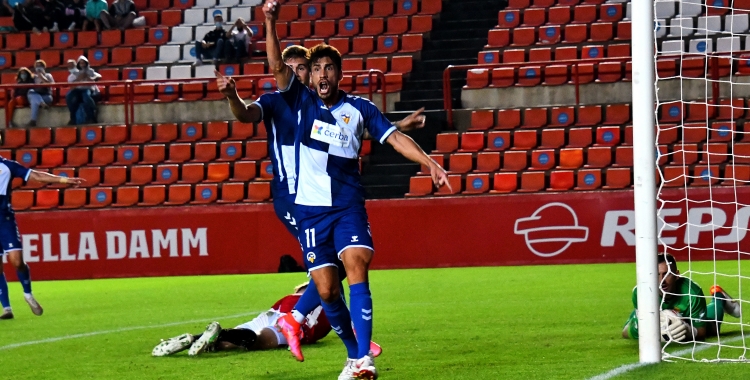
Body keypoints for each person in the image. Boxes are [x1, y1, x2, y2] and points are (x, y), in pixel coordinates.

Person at [261, 1, 449, 378]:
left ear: (340, 73)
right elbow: (278, 66)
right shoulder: (299, 101)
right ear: (310, 78)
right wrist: (269, 20)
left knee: (357, 262)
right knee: (328, 290)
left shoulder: (359, 108)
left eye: (329, 67)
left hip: (348, 206)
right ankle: (353, 356)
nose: (322, 73)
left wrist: (429, 162)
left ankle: (364, 359)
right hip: (311, 210)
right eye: (316, 69)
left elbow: (395, 139)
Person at [215, 43, 425, 366]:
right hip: (296, 198)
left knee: (341, 265)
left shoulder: (312, 103)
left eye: (304, 68)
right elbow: (245, 114)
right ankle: (303, 318)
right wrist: (232, 96)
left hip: (322, 194)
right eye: (298, 69)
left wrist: (400, 128)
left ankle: (323, 328)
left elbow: (344, 135)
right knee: (334, 268)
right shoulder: (276, 102)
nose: (301, 74)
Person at [0, 160, 85, 320]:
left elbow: (37, 176)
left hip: (4, 220)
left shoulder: (7, 166)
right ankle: (6, 308)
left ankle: (28, 294)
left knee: (17, 261)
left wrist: (64, 180)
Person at [152, 282, 332, 356]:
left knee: (233, 340)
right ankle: (219, 336)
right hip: (294, 323)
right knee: (259, 340)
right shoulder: (330, 308)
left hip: (274, 313)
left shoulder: (294, 296)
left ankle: (195, 338)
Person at [622, 253, 742, 342]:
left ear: (677, 275)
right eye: (656, 274)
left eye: (667, 274)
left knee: (712, 329)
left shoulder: (692, 293)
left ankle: (718, 296)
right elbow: (626, 332)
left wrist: (687, 330)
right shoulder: (641, 292)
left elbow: (701, 334)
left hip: (688, 318)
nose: (661, 280)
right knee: (629, 331)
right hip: (654, 313)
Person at [66, 56, 101, 125]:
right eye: (80, 63)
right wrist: (79, 79)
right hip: (78, 90)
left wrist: (89, 77)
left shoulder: (90, 71)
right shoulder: (75, 74)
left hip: (87, 88)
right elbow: (72, 87)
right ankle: (73, 119)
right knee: (69, 97)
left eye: (83, 63)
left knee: (86, 98)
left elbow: (97, 77)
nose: (82, 65)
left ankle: (93, 112)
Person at [26, 59, 54, 127]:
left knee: (34, 101)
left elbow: (51, 85)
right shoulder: (33, 77)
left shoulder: (48, 75)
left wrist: (41, 76)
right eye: (37, 66)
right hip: (35, 94)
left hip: (46, 96)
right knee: (31, 93)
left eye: (40, 66)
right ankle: (42, 103)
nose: (38, 67)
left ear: (44, 67)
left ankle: (33, 121)